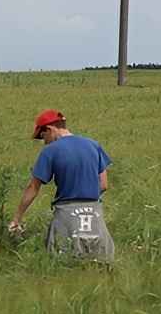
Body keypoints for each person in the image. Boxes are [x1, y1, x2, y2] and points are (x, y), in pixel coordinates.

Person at [9, 110, 114, 262]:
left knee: (62, 258)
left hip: (66, 213)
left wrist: (17, 218)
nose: (44, 141)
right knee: (100, 260)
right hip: (95, 213)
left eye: (42, 136)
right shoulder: (93, 145)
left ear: (50, 129)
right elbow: (104, 185)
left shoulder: (50, 151)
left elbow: (33, 188)